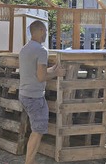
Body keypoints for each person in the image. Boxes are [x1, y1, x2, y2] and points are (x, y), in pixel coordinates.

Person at [19, 21, 65, 164]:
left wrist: (53, 70)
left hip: (24, 94)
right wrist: (56, 74)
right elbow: (41, 77)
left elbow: (37, 72)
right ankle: (29, 162)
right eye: (45, 30)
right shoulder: (41, 50)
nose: (46, 33)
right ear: (39, 30)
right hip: (35, 98)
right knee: (37, 132)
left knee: (36, 130)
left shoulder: (25, 49)